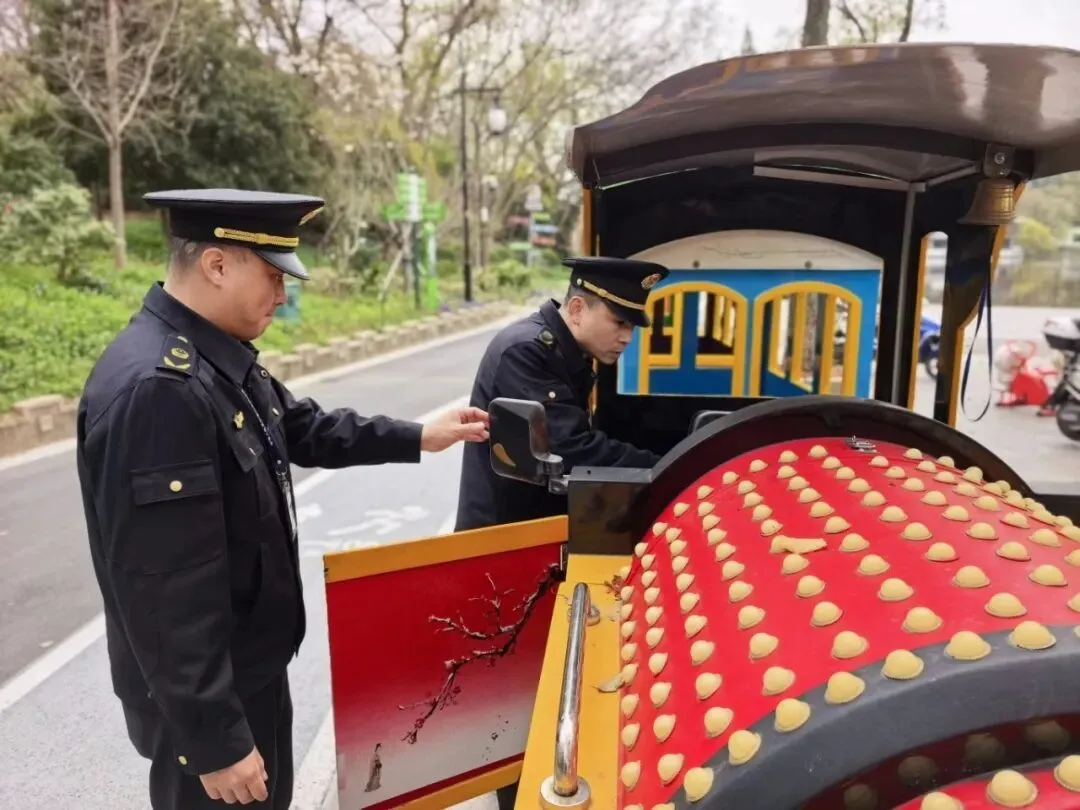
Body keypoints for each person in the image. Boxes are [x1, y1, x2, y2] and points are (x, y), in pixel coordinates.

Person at [75, 188, 489, 810]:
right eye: (272, 275)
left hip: (250, 677)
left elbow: (301, 426)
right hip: (217, 706)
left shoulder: (217, 357)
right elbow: (165, 595)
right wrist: (216, 742)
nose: (283, 292)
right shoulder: (161, 389)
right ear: (217, 265)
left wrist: (420, 436)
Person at [453, 255, 668, 808]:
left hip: (539, 533)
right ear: (577, 308)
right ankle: (515, 789)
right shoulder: (528, 352)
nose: (627, 337)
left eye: (631, 326)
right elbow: (576, 448)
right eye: (619, 323)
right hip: (503, 541)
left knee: (540, 680)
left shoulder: (567, 349)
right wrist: (669, 466)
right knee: (512, 692)